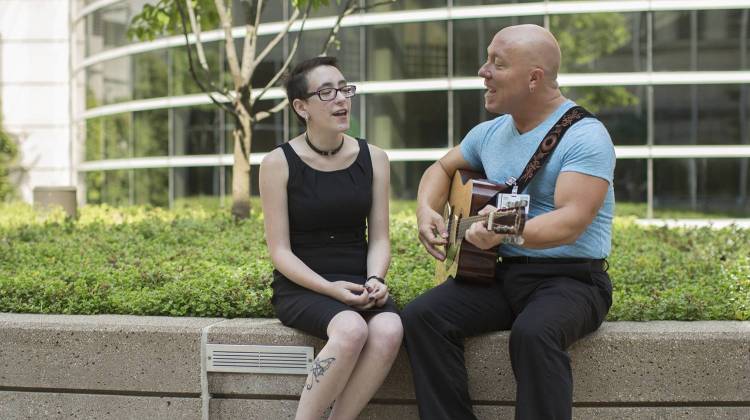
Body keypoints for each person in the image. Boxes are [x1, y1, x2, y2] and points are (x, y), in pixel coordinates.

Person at [401, 24, 615, 420]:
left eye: (497, 64)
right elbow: (442, 168)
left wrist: (503, 229)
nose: (483, 71)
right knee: (421, 317)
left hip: (573, 281)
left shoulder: (586, 136)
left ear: (534, 78)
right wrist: (426, 209)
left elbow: (571, 222)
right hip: (502, 274)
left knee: (534, 334)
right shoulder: (490, 133)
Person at [259, 56, 403, 420]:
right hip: (304, 284)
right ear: (301, 107)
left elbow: (380, 238)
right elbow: (280, 251)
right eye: (327, 92)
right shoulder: (277, 163)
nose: (341, 99)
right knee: (352, 329)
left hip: (358, 279)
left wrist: (375, 279)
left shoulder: (375, 158)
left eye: (344, 89)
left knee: (389, 329)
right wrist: (328, 288)